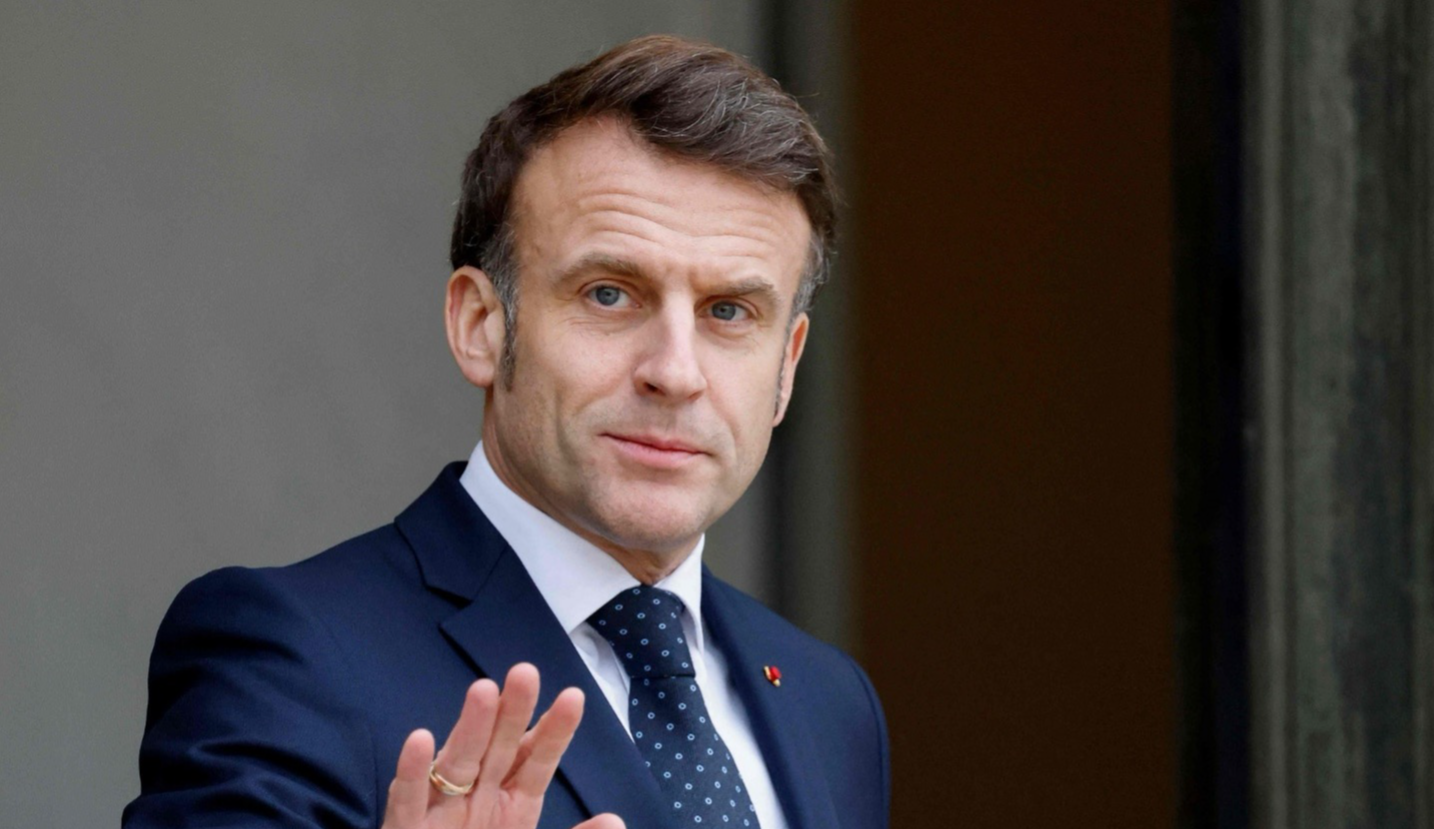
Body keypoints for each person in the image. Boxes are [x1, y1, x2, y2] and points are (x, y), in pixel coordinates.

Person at [123, 35, 889, 829]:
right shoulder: (287, 655)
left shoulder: (829, 702)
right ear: (480, 325)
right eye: (608, 293)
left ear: (786, 366)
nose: (675, 371)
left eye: (729, 311)